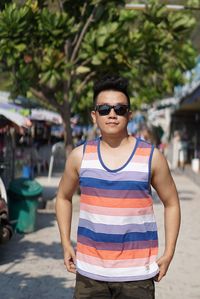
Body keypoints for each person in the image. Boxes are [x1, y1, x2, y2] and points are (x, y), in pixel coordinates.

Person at [56, 74, 181, 299]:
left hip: (137, 276)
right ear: (94, 116)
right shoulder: (79, 157)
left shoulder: (152, 157)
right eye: (104, 109)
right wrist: (66, 243)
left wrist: (169, 252)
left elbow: (171, 202)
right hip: (90, 274)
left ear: (129, 114)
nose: (112, 114)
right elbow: (63, 197)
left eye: (119, 109)